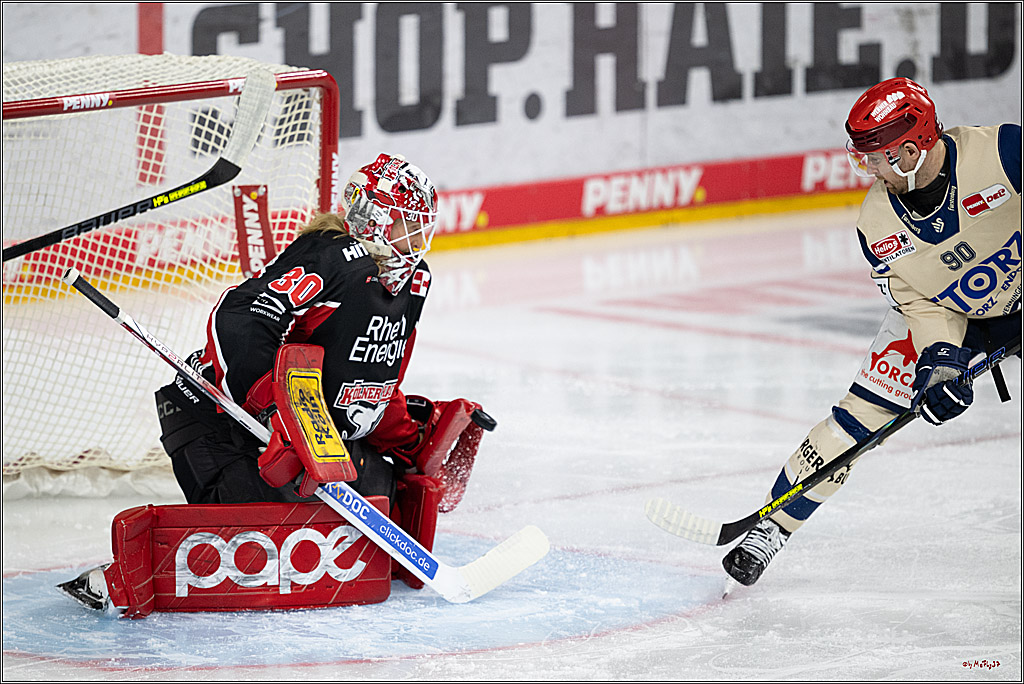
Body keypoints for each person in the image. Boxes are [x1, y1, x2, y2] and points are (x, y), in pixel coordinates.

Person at [59, 153, 487, 612]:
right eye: (407, 224)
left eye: (422, 227)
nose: (418, 240)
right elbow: (237, 318)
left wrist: (411, 434)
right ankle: (128, 573)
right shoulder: (333, 257)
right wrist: (272, 410)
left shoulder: (412, 284)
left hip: (301, 432)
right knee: (277, 523)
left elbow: (368, 380)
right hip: (217, 420)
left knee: (382, 490)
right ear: (375, 220)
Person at [722, 78, 1021, 587]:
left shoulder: (1005, 154)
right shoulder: (877, 223)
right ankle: (773, 527)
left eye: (876, 158)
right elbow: (920, 300)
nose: (869, 170)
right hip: (954, 315)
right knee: (856, 418)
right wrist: (940, 360)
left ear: (910, 149)